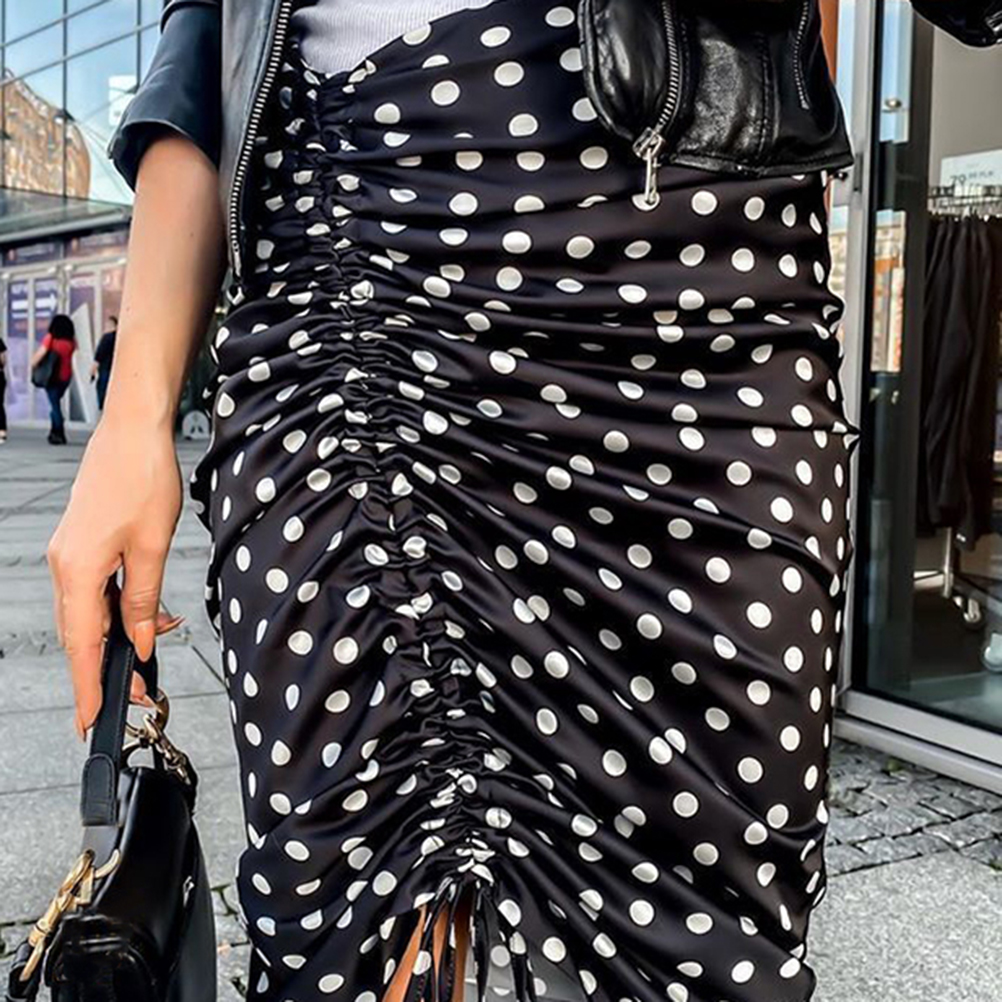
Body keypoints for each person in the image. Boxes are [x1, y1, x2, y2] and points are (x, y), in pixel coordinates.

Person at [43, 4, 1002, 1002]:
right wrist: (132, 415)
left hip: (698, 326)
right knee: (351, 933)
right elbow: (206, 41)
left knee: (708, 933)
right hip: (347, 312)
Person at [31, 313, 76, 445]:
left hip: (52, 377)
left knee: (55, 406)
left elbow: (41, 354)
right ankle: (53, 431)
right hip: (66, 377)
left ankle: (58, 432)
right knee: (55, 403)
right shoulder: (71, 341)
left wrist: (33, 363)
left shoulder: (50, 339)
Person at [90, 315, 118, 410]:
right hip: (117, 372)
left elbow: (98, 357)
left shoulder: (106, 338)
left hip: (105, 371)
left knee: (103, 395)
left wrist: (92, 372)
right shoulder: (119, 339)